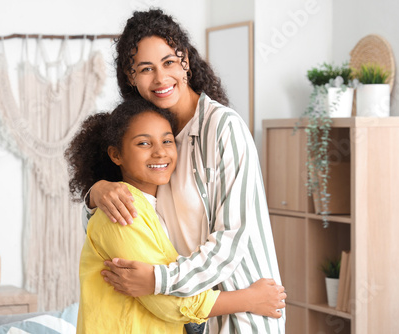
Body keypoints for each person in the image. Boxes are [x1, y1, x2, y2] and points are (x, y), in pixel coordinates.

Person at [85, 9, 286, 334]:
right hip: (184, 316)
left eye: (169, 62)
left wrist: (156, 280)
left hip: (240, 314)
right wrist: (95, 193)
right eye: (146, 69)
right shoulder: (148, 136)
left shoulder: (223, 128)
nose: (161, 79)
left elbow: (230, 240)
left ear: (186, 62)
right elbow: (119, 221)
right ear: (130, 76)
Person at [66, 99, 286, 333]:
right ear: (116, 154)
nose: (160, 152)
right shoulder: (123, 210)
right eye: (143, 143)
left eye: (167, 141)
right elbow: (169, 302)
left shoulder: (159, 209)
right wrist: (250, 299)